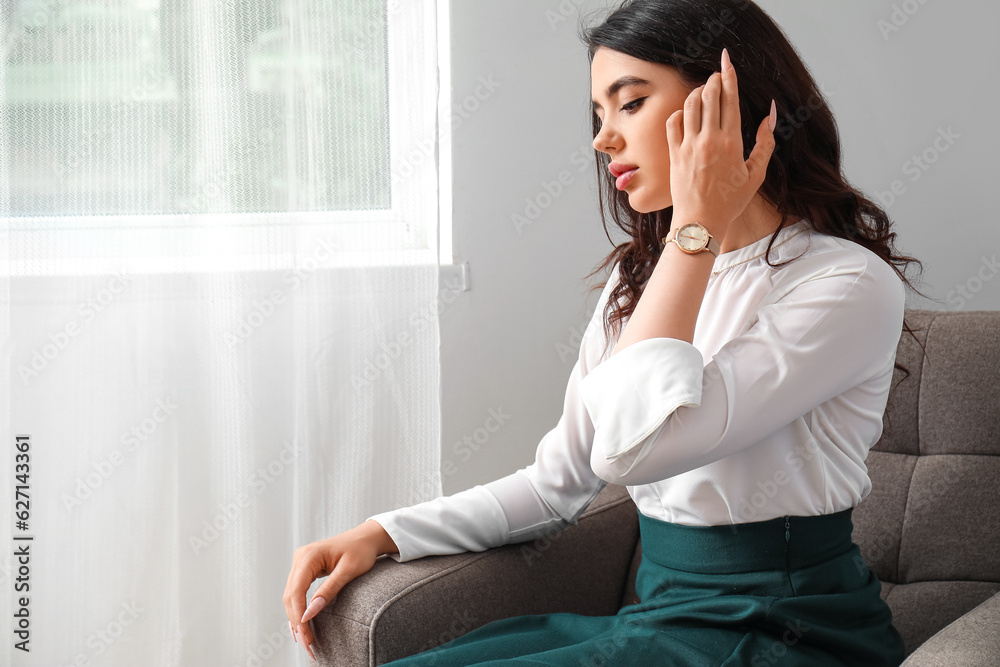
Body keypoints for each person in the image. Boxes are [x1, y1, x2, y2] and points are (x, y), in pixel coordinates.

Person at [283, 0, 927, 664]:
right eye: (597, 114)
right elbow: (556, 482)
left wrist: (694, 230)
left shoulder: (844, 286)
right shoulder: (642, 282)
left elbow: (633, 453)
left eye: (630, 103)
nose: (602, 139)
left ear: (725, 103)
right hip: (661, 619)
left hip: (785, 631)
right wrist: (384, 530)